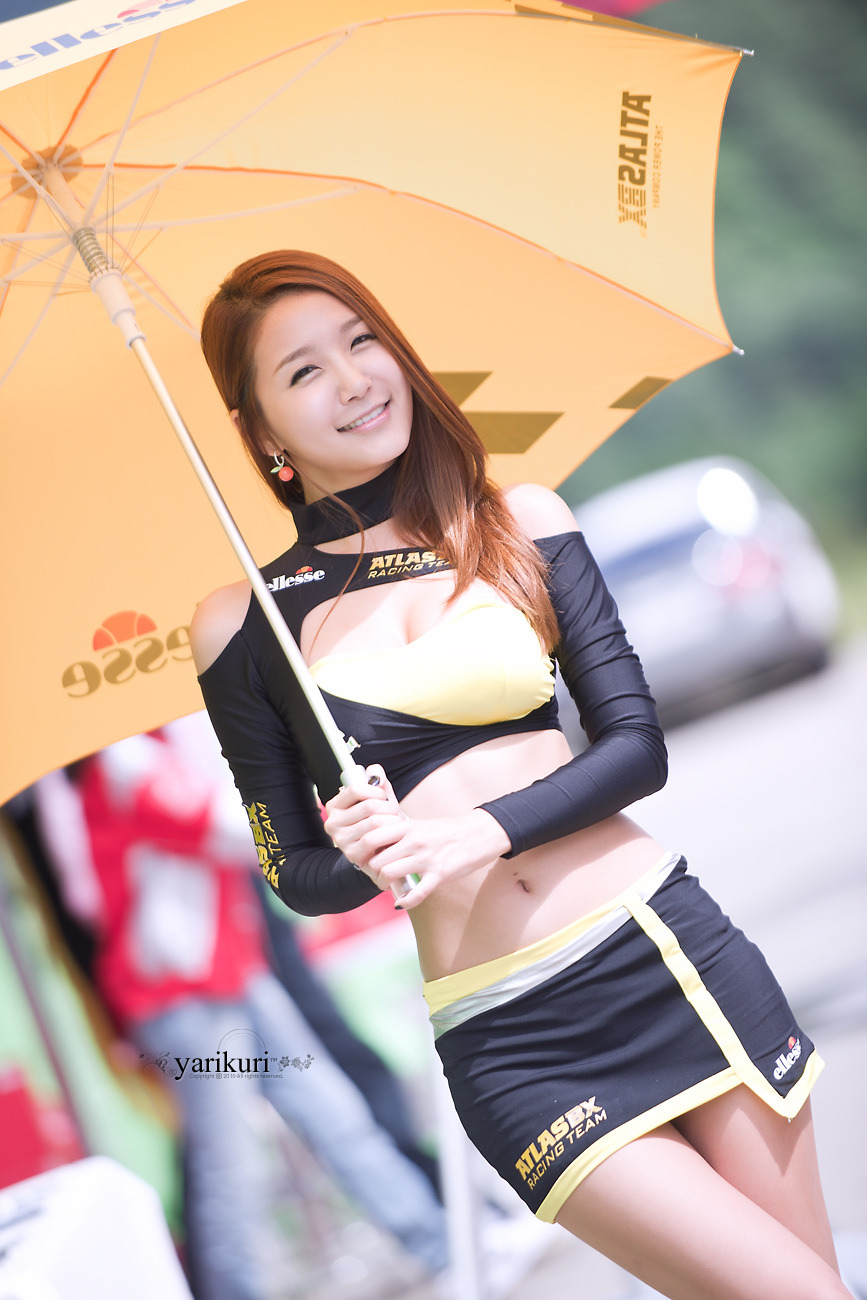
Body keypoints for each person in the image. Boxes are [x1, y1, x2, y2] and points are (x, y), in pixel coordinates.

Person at [190, 249, 851, 1300]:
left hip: (663, 951)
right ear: (261, 428)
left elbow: (635, 747)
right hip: (514, 1042)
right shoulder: (243, 624)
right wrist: (361, 857)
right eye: (303, 371)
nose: (353, 380)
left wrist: (476, 832)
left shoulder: (518, 520)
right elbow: (293, 870)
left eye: (362, 341)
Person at [30, 717, 450, 1300]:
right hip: (181, 991)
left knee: (334, 1115)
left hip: (229, 971)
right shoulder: (122, 757)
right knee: (233, 1163)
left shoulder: (147, 749)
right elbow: (224, 827)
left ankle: (443, 1250)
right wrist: (337, 817)